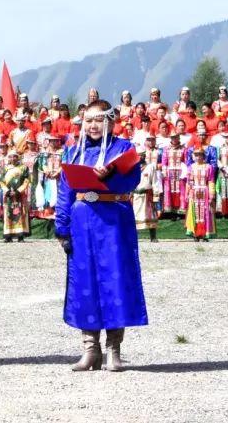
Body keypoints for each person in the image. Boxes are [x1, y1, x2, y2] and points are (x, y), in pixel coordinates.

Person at [55, 100, 147, 372]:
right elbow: (65, 193)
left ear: (111, 122)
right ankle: (90, 349)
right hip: (82, 224)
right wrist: (62, 228)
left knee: (114, 281)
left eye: (99, 120)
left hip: (113, 221)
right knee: (85, 282)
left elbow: (132, 182)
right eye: (88, 120)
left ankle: (113, 350)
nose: (93, 125)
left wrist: (111, 174)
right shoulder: (74, 152)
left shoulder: (123, 149)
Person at [185, 148, 216, 241]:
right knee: (195, 212)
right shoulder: (191, 167)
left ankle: (205, 233)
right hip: (194, 191)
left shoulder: (208, 167)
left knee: (205, 212)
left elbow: (211, 181)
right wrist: (188, 193)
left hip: (204, 191)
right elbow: (189, 181)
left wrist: (211, 194)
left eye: (200, 155)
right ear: (194, 156)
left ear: (204, 156)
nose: (198, 157)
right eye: (197, 155)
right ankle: (195, 233)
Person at [0, 151, 31, 242]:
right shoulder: (5, 168)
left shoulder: (24, 168)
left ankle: (20, 235)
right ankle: (8, 235)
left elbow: (26, 180)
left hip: (19, 195)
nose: (12, 159)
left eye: (14, 157)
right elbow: (1, 181)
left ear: (18, 157)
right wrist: (7, 191)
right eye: (10, 157)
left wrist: (18, 191)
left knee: (20, 213)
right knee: (8, 213)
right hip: (8, 195)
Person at [132, 150, 160, 242]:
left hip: (147, 194)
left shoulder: (151, 167)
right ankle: (135, 237)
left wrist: (156, 196)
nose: (140, 157)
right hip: (136, 194)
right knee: (135, 215)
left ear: (144, 156)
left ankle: (153, 237)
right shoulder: (133, 167)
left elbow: (155, 181)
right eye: (138, 155)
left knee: (150, 214)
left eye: (142, 155)